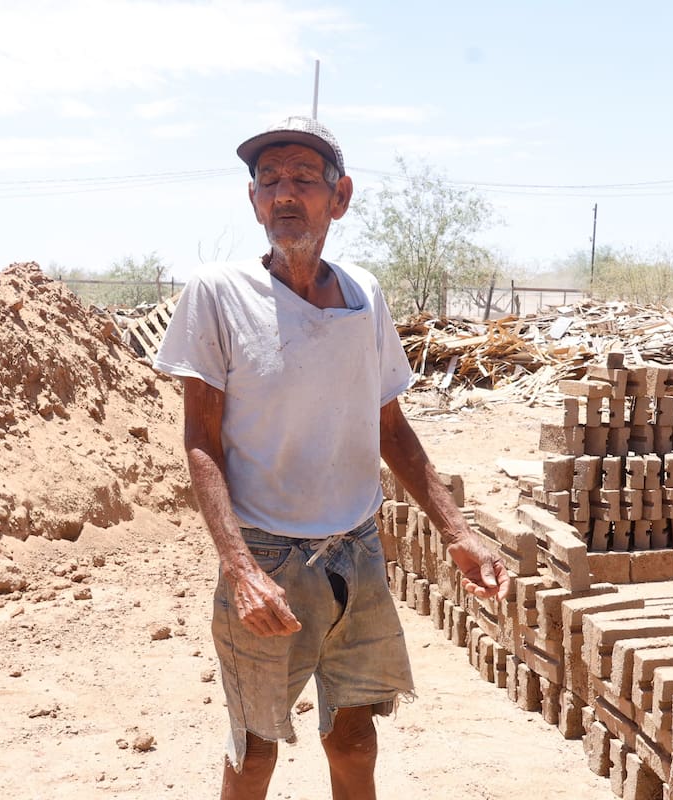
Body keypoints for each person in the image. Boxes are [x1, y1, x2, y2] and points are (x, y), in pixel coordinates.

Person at [154, 115, 510, 800]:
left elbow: (392, 429)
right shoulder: (218, 293)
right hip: (266, 554)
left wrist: (457, 533)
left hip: (358, 549)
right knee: (255, 749)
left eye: (304, 180)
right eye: (269, 181)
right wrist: (241, 567)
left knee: (354, 739)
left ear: (338, 197)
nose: (285, 194)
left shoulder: (362, 294)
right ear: (253, 201)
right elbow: (201, 437)